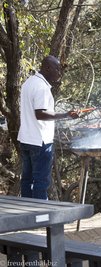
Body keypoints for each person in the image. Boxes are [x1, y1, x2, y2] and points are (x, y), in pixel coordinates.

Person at [17, 55, 79, 200]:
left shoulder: (29, 82)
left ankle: (27, 215)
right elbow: (40, 114)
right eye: (57, 69)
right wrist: (66, 115)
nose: (59, 73)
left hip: (26, 139)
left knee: (26, 180)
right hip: (40, 141)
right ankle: (40, 215)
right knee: (41, 182)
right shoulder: (42, 87)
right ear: (47, 68)